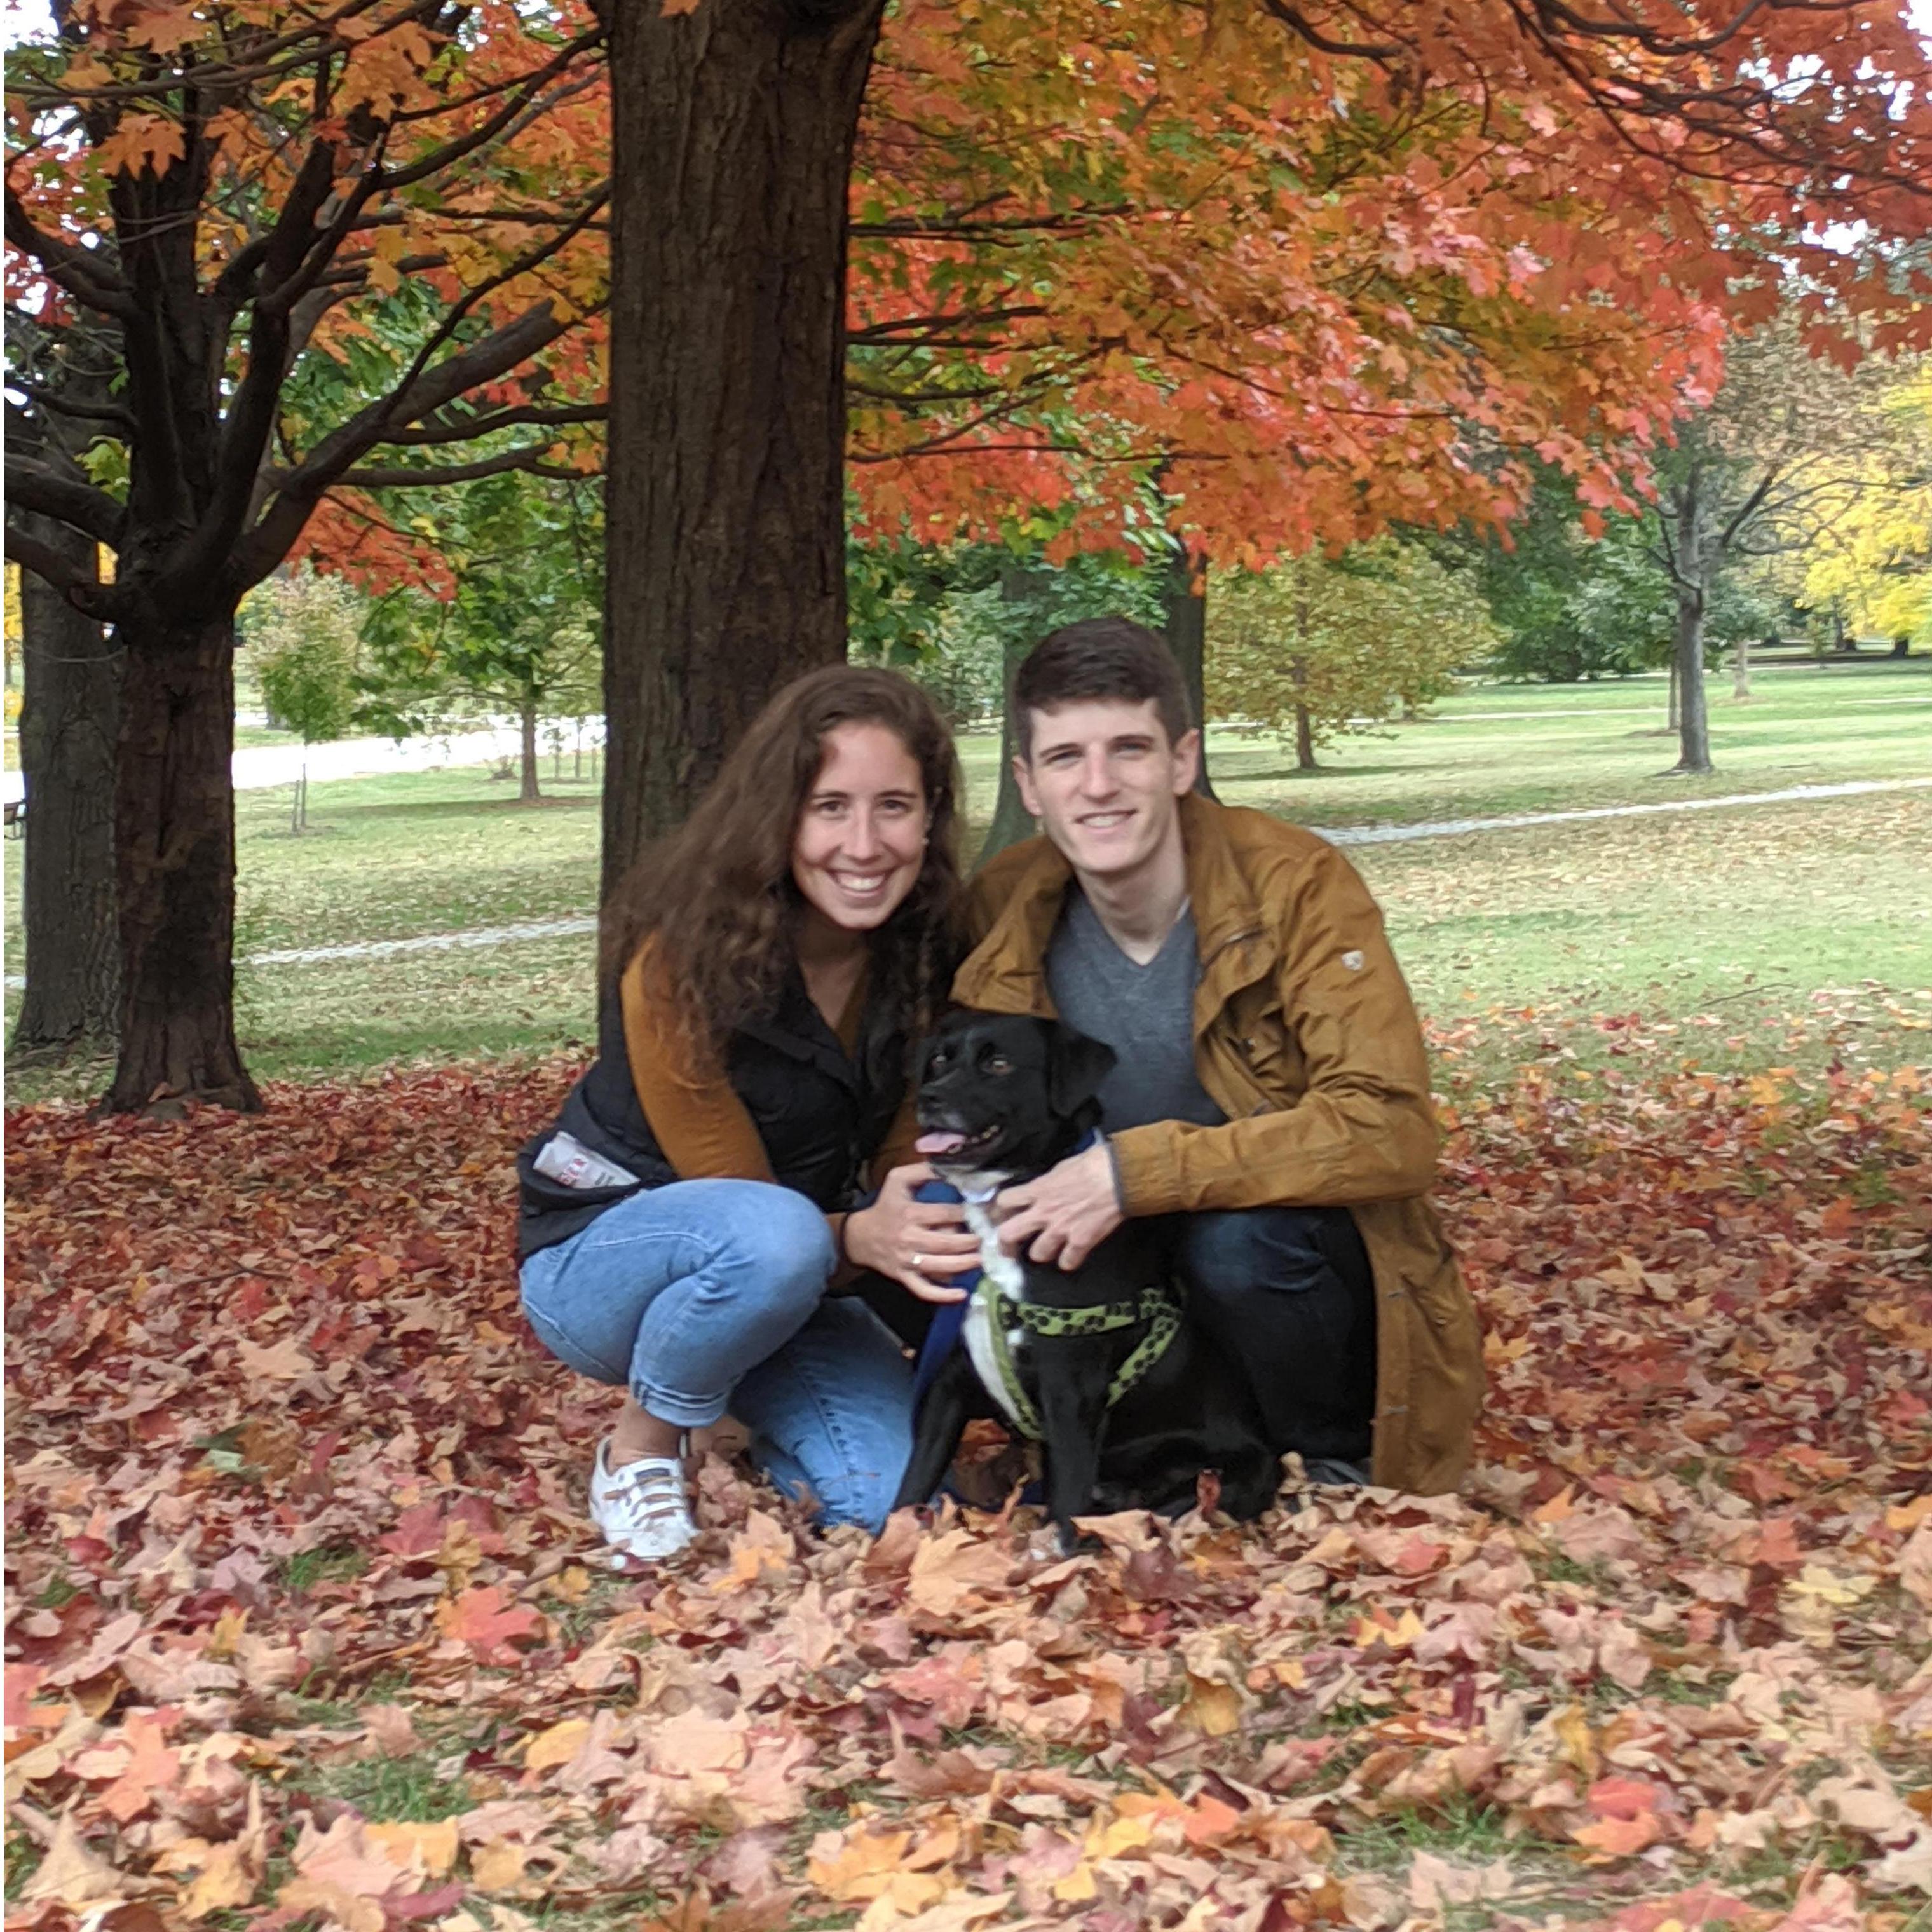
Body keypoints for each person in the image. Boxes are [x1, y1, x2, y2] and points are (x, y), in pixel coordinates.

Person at [927, 618, 1483, 1493]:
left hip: (1276, 1246)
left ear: (1182, 761)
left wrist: (1137, 1173)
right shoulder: (1004, 904)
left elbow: (1392, 1128)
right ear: (1030, 785)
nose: (1099, 786)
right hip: (1107, 1270)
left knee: (1238, 1245)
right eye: (1067, 758)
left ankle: (1329, 1453)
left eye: (1130, 750)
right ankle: (1131, 1445)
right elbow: (943, 1093)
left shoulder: (1295, 885)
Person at [516, 667, 984, 1564]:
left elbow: (906, 1173)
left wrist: (909, 1230)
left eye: (894, 806)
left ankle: (734, 1410)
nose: (864, 843)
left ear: (930, 818)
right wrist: (860, 1239)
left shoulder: (931, 954)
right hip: (607, 1259)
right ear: (779, 815)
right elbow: (737, 1199)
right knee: (772, 1236)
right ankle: (639, 1448)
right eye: (829, 807)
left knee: (884, 1498)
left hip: (793, 1272)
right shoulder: (680, 959)